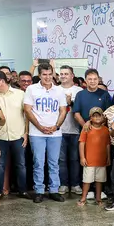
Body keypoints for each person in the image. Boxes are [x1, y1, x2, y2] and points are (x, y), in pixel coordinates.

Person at [24, 63, 67, 203]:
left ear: (53, 74)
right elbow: (27, 110)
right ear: (39, 75)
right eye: (44, 75)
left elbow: (63, 110)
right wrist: (40, 127)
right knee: (38, 162)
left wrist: (56, 126)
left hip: (55, 133)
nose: (47, 77)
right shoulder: (31, 89)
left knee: (54, 162)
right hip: (37, 133)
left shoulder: (59, 90)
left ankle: (54, 190)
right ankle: (39, 190)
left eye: (50, 74)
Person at [0, 70, 28, 198]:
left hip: (18, 135)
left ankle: (22, 190)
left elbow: (27, 115)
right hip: (0, 136)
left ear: (2, 81)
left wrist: (26, 133)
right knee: (0, 165)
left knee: (21, 164)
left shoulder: (20, 94)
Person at [55, 65, 84, 196]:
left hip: (75, 130)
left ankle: (75, 184)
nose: (63, 76)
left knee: (74, 159)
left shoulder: (79, 91)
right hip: (58, 131)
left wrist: (70, 103)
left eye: (66, 74)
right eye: (61, 74)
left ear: (72, 75)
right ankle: (63, 184)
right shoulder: (55, 90)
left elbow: (80, 109)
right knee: (61, 160)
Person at [77, 108, 111, 207]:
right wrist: (82, 157)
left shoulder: (105, 130)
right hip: (89, 161)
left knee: (99, 181)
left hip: (101, 160)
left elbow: (107, 145)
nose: (97, 118)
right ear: (90, 118)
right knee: (87, 181)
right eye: (94, 116)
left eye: (99, 115)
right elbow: (81, 143)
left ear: (102, 117)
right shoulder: (86, 128)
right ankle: (83, 198)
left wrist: (108, 157)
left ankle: (98, 198)